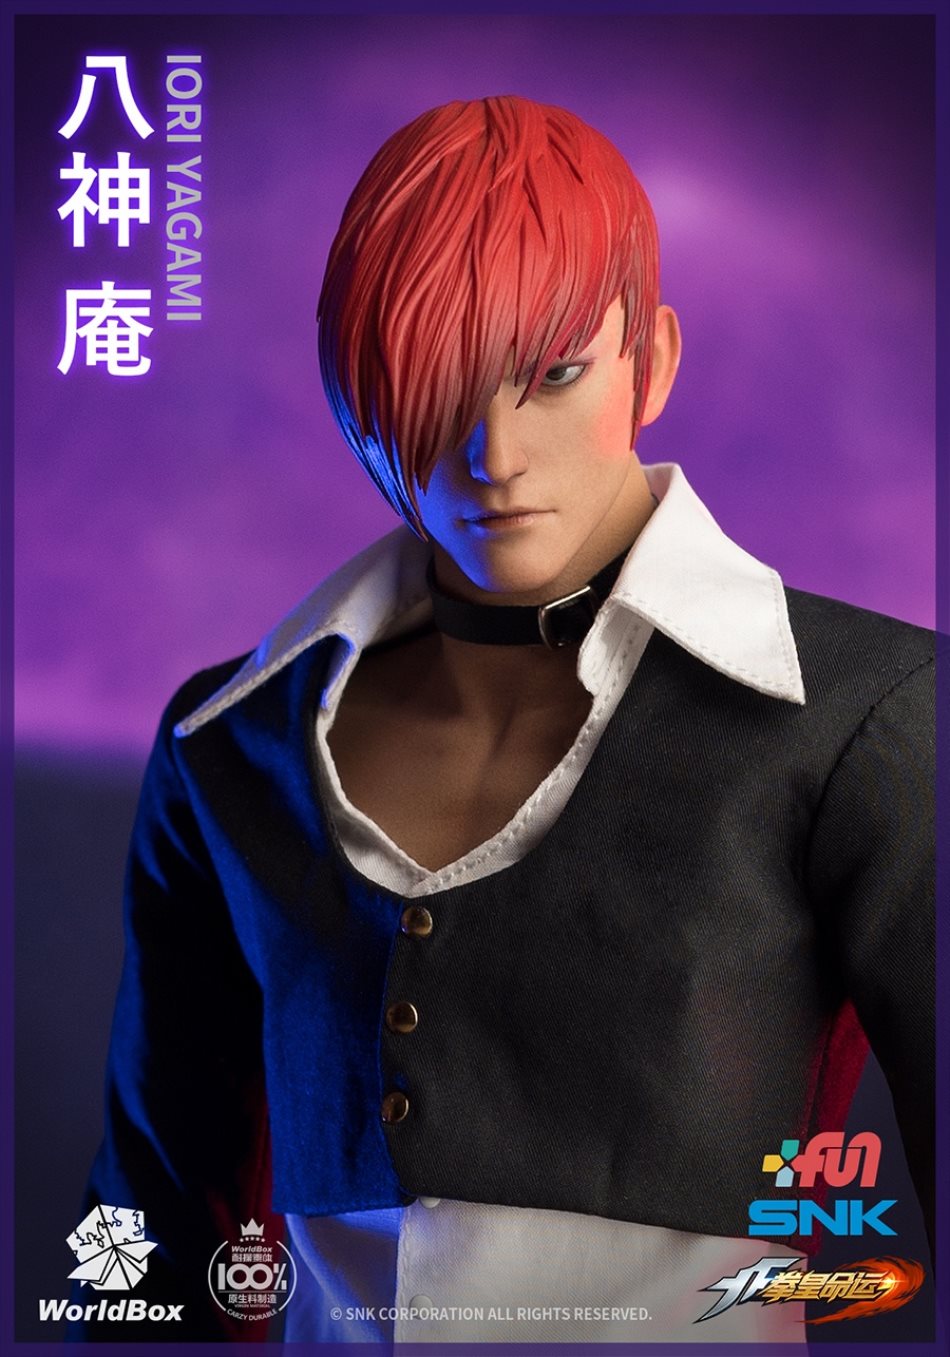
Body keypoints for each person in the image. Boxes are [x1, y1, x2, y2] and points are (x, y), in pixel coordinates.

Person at [71, 95, 934, 1344]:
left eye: (553, 375)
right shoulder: (230, 744)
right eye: (432, 387)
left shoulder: (869, 717)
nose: (491, 454)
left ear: (653, 357)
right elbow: (149, 1247)